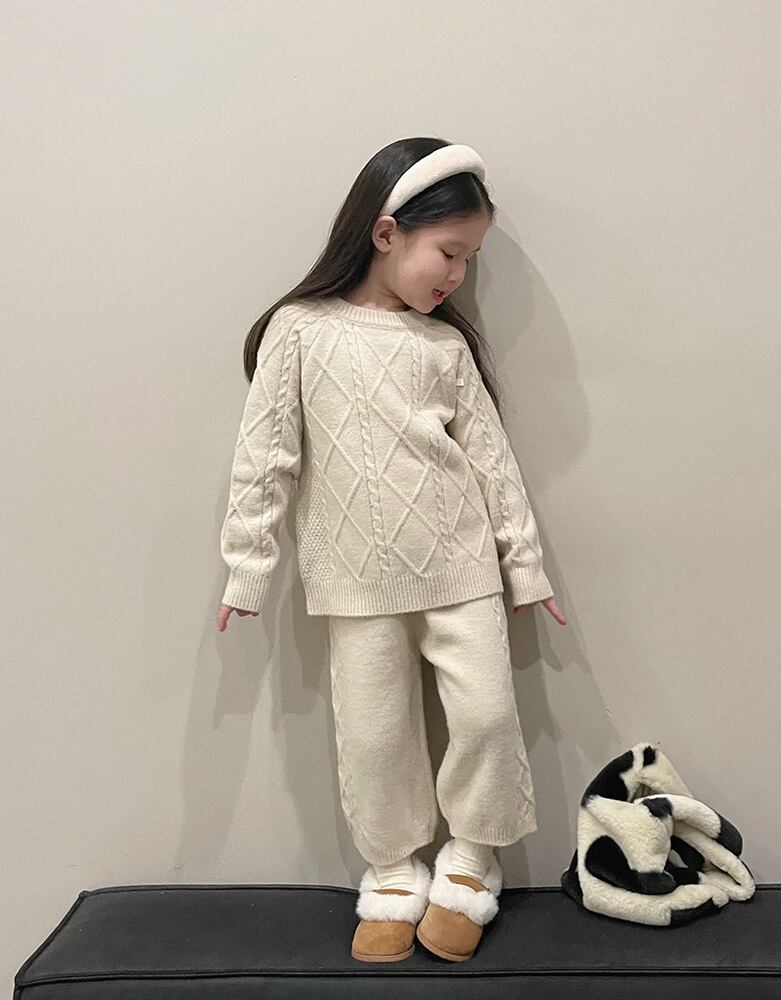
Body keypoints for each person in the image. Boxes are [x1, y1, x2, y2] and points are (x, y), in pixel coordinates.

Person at [216, 137, 567, 963]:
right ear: (384, 234)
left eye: (470, 260)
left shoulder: (444, 347)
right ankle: (391, 874)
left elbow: (490, 462)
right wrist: (248, 569)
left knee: (487, 718)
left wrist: (524, 564)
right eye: (449, 252)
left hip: (462, 567)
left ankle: (471, 864)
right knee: (376, 739)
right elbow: (265, 458)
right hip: (354, 577)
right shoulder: (299, 332)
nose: (458, 276)